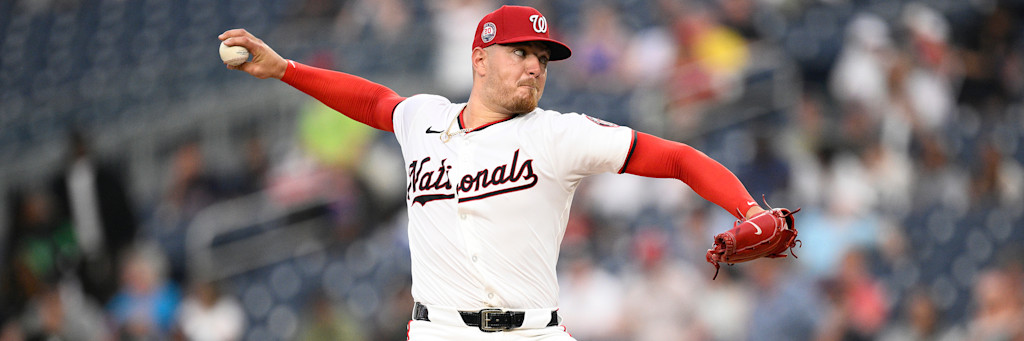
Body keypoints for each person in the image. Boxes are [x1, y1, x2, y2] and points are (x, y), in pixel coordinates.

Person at [220, 5, 790, 340]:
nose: (534, 67)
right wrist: (286, 69)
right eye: (520, 53)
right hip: (438, 330)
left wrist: (748, 210)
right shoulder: (424, 119)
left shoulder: (558, 133)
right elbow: (372, 102)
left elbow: (678, 157)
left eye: (542, 59)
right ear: (479, 58)